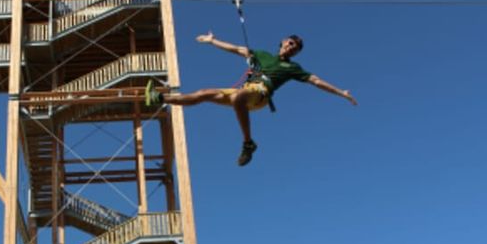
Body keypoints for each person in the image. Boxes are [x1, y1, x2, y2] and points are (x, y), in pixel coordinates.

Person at [146, 32, 357, 166]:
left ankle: (248, 143)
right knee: (203, 94)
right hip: (246, 89)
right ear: (283, 42)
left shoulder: (293, 68)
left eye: (296, 48)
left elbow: (317, 81)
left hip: (261, 94)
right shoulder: (262, 55)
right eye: (291, 43)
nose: (291, 47)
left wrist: (341, 93)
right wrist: (212, 41)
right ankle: (161, 98)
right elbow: (236, 49)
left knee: (238, 97)